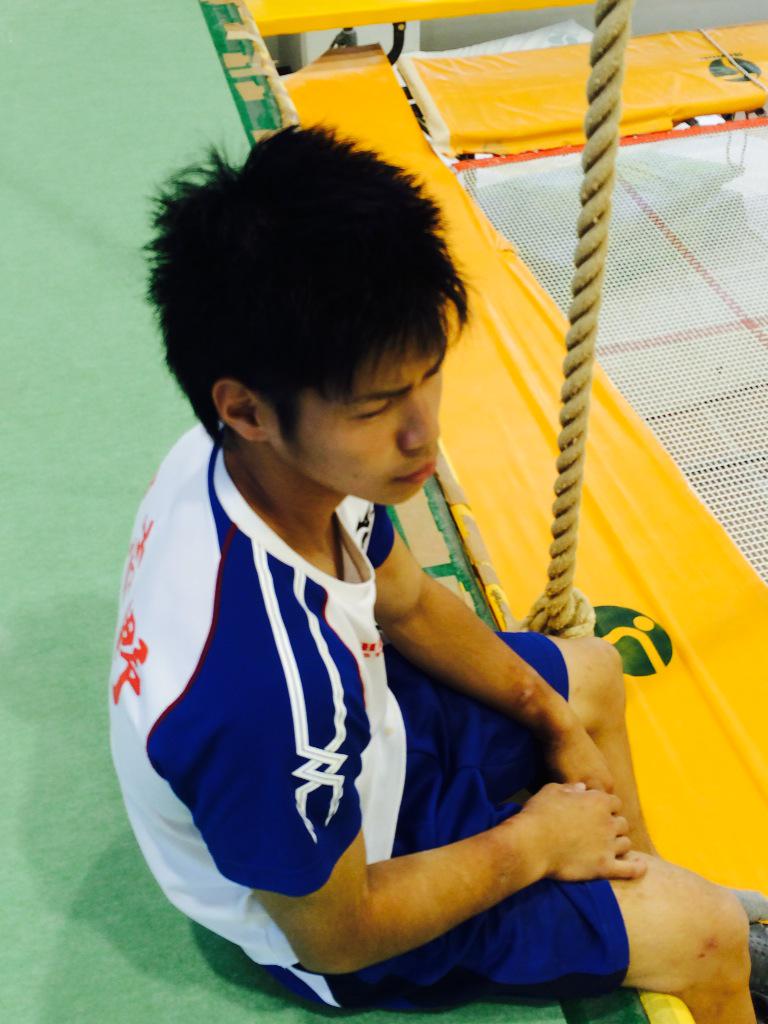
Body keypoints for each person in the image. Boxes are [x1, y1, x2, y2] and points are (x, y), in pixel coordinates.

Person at [109, 125, 765, 1023]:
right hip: (348, 900)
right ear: (248, 410)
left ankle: (636, 894)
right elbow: (337, 934)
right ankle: (695, 943)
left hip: (371, 742)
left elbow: (410, 603)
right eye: (379, 407)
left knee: (591, 678)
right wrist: (534, 844)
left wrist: (551, 716)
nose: (424, 433)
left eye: (429, 377)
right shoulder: (265, 688)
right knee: (709, 935)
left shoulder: (266, 466)